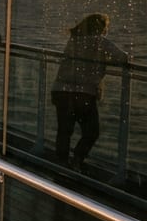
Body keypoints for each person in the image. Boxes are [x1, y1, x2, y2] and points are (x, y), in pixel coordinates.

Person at [51, 13, 129, 170]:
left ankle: (61, 164)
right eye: (106, 27)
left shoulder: (74, 40)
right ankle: (77, 161)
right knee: (91, 131)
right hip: (83, 93)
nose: (106, 31)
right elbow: (123, 57)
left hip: (61, 90)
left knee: (64, 131)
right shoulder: (99, 42)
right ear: (101, 28)